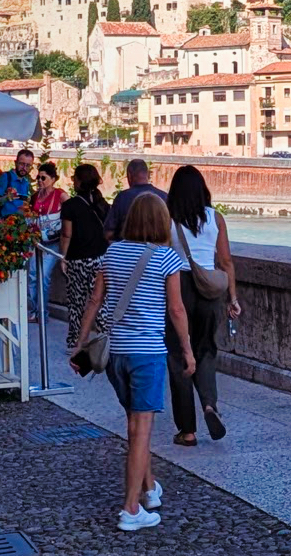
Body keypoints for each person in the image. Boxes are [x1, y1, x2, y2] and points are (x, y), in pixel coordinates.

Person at [72, 193, 195, 532]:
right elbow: (176, 310)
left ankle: (150, 489)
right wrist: (187, 350)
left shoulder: (112, 253)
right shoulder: (167, 259)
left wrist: (80, 344)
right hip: (147, 353)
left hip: (116, 354)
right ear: (161, 221)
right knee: (141, 429)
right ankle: (130, 509)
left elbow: (94, 301)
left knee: (134, 425)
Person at [165, 165, 241, 446]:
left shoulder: (168, 219)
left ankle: (187, 430)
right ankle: (209, 404)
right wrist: (232, 298)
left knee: (178, 355)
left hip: (179, 287)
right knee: (206, 349)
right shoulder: (215, 218)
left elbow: (160, 256)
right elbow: (226, 261)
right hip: (210, 290)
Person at [60, 164, 110, 349]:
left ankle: (75, 341)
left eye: (74, 178)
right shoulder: (103, 204)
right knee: (100, 301)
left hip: (77, 259)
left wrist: (63, 257)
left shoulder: (70, 206)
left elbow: (66, 234)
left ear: (79, 181)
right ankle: (105, 340)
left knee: (76, 301)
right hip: (100, 258)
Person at [27, 161, 67, 323]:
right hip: (36, 240)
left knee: (43, 277)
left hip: (52, 242)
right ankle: (34, 311)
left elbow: (71, 211)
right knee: (32, 276)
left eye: (43, 178)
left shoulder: (60, 195)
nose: (40, 181)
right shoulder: (35, 196)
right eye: (38, 177)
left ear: (53, 179)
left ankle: (42, 313)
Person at [104, 158, 168, 242]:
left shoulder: (122, 198)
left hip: (127, 248)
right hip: (159, 248)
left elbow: (108, 233)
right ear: (148, 174)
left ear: (129, 175)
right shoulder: (164, 196)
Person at [0, 149, 34, 217]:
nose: (24, 168)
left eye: (28, 165)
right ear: (15, 162)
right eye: (22, 164)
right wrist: (7, 197)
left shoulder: (26, 182)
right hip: (4, 221)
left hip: (19, 221)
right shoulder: (6, 177)